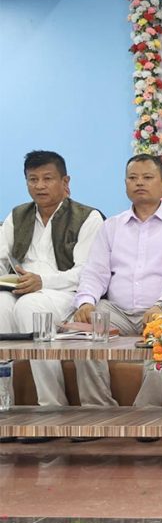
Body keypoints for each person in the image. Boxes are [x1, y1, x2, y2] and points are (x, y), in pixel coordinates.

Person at [72, 154, 162, 432]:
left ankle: (147, 416)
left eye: (147, 177)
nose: (139, 183)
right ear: (125, 184)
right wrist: (86, 301)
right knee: (84, 329)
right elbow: (95, 272)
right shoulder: (111, 226)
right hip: (117, 311)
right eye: (133, 178)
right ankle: (97, 413)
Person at [0, 151, 103, 417]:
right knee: (0, 305)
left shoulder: (88, 217)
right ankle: (5, 406)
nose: (40, 186)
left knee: (30, 308)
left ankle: (51, 406)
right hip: (20, 288)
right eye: (33, 179)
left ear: (65, 181)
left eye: (47, 178)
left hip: (63, 293)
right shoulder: (17, 215)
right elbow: (1, 258)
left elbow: (87, 272)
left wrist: (43, 281)